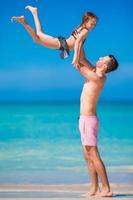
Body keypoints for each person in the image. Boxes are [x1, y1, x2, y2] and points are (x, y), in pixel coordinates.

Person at [74, 55, 118, 197]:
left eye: (102, 59)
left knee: (93, 154)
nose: (99, 58)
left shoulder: (97, 77)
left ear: (105, 67)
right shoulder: (95, 73)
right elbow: (82, 58)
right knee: (87, 155)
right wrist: (80, 41)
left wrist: (78, 42)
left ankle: (107, 189)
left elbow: (77, 63)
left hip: (88, 119)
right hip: (84, 119)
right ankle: (94, 188)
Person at [11, 6, 97, 65]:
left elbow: (78, 43)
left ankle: (34, 12)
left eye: (95, 24)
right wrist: (76, 57)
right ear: (85, 21)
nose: (93, 26)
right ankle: (24, 21)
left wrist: (69, 53)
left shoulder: (80, 27)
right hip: (62, 44)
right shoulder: (85, 30)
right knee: (37, 38)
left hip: (63, 44)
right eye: (92, 23)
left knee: (39, 34)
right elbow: (78, 42)